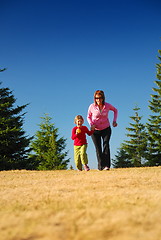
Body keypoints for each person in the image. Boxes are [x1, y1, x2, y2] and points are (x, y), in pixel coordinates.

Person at [87, 90, 118, 170]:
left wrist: (114, 121)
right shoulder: (91, 106)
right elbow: (88, 116)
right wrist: (91, 124)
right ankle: (100, 166)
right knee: (98, 148)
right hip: (95, 130)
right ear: (94, 98)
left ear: (103, 98)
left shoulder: (107, 105)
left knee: (106, 145)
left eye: (100, 98)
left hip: (106, 128)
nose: (98, 100)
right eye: (96, 98)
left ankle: (107, 166)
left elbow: (115, 110)